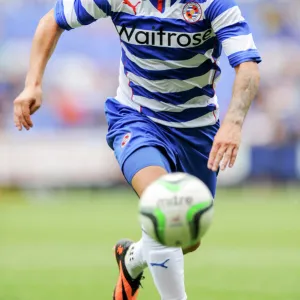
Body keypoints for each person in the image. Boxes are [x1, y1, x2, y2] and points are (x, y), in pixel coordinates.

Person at [13, 0, 261, 298]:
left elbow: (247, 66)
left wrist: (233, 123)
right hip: (137, 117)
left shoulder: (213, 4)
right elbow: (51, 20)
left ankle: (132, 259)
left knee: (188, 238)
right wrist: (32, 84)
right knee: (166, 208)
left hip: (198, 128)